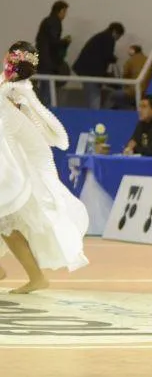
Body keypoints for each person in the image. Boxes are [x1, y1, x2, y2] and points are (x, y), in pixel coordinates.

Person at [0, 41, 89, 293]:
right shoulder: (7, 85)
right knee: (6, 223)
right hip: (10, 164)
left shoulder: (18, 90)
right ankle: (23, 274)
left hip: (17, 168)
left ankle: (34, 276)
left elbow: (36, 128)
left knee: (6, 222)